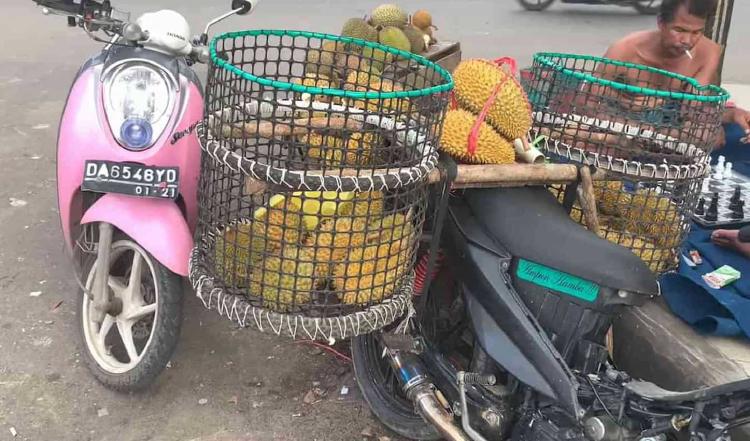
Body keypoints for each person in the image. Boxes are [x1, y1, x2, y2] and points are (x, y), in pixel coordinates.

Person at [603, 0, 750, 257]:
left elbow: (697, 111)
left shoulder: (708, 52)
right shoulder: (624, 51)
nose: (688, 41)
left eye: (696, 32)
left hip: (674, 137)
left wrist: (728, 114)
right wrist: (627, 110)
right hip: (623, 132)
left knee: (718, 137)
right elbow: (585, 106)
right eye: (680, 30)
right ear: (661, 23)